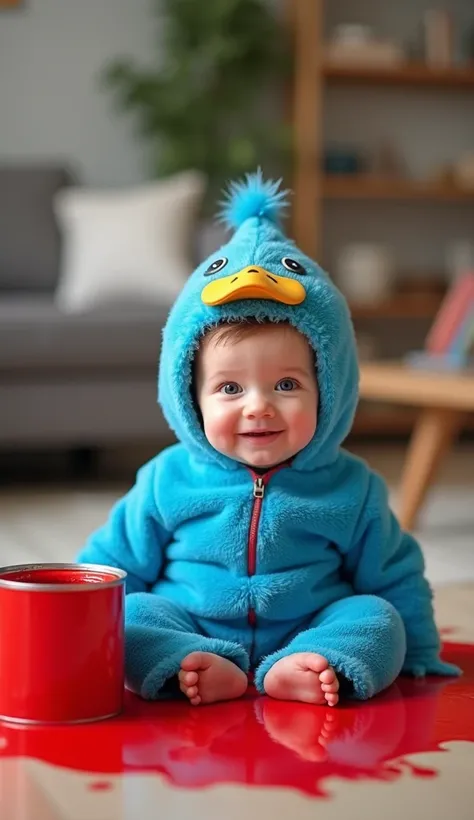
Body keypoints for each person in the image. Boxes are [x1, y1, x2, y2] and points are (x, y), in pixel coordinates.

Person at [76, 171, 460, 707]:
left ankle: (310, 667)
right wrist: (72, 639)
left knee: (376, 618)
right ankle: (191, 664)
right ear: (191, 397)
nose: (258, 406)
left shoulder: (352, 488)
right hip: (189, 621)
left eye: (286, 384)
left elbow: (394, 574)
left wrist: (417, 648)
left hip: (308, 627)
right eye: (230, 387)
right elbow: (110, 564)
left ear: (328, 388)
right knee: (135, 615)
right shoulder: (167, 479)